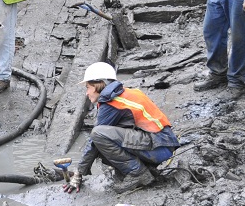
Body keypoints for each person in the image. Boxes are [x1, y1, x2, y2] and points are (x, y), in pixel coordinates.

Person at [64, 62, 180, 195]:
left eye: (88, 87)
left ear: (99, 85)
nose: (86, 93)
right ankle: (145, 169)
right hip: (162, 144)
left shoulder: (111, 102)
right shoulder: (124, 93)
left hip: (159, 147)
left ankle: (138, 173)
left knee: (98, 135)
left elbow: (94, 140)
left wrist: (79, 173)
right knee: (102, 142)